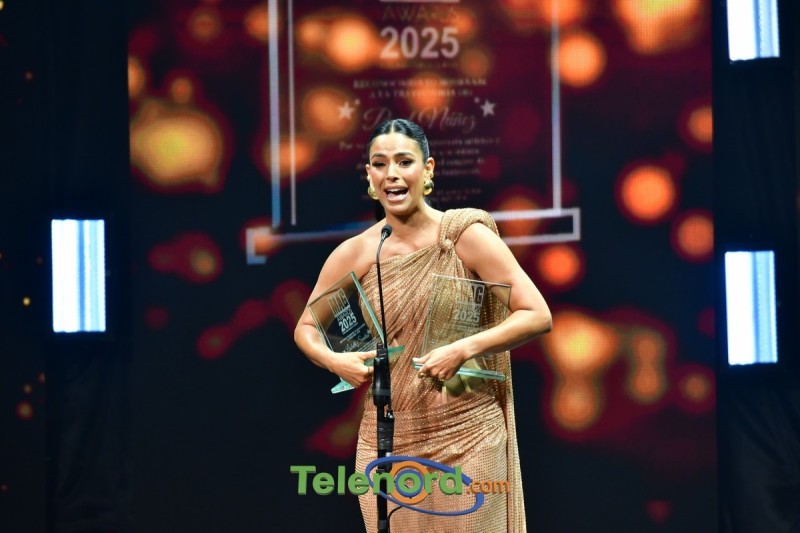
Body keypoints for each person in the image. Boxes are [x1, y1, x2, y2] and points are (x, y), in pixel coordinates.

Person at [294, 118, 552, 532]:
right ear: (370, 176)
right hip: (388, 439)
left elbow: (536, 314)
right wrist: (333, 361)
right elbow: (306, 327)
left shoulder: (463, 237)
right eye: (380, 164)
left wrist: (464, 348)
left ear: (428, 169)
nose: (392, 174)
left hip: (468, 433)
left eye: (404, 162)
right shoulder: (357, 252)